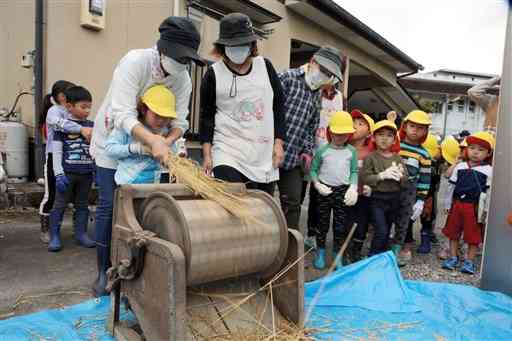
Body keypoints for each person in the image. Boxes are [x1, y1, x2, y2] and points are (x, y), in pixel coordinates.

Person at [89, 16, 204, 297]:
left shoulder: (182, 78)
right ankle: (104, 271)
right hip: (114, 141)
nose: (181, 63)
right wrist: (152, 141)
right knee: (109, 205)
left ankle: (133, 271)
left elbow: (181, 122)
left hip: (150, 154)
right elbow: (123, 114)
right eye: (177, 57)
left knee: (139, 210)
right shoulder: (135, 62)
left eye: (186, 59)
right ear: (162, 48)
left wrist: (167, 143)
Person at [199, 13, 285, 195]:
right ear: (223, 46)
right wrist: (207, 155)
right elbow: (206, 117)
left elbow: (278, 106)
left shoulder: (265, 67)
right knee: (235, 204)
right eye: (232, 45)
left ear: (251, 45)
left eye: (242, 44)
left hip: (262, 153)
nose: (237, 49)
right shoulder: (213, 74)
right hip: (227, 151)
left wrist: (279, 144)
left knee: (261, 208)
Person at [278, 46, 345, 230]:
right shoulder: (286, 78)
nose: (325, 77)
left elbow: (311, 126)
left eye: (330, 75)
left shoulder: (316, 93)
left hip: (293, 158)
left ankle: (289, 246)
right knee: (262, 200)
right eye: (324, 71)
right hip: (270, 152)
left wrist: (307, 151)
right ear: (313, 61)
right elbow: (269, 113)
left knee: (292, 202)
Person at [38, 80, 93, 244]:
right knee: (57, 202)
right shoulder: (58, 120)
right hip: (66, 171)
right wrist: (59, 173)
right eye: (84, 107)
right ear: (68, 103)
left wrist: (95, 170)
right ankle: (53, 234)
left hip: (85, 173)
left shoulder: (91, 125)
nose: (88, 110)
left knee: (82, 204)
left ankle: (81, 234)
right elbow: (57, 152)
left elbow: (95, 150)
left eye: (89, 107)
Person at [309, 111, 358, 270]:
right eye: (337, 133)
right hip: (324, 190)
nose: (340, 137)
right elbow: (313, 170)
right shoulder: (323, 150)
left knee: (340, 226)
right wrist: (317, 184)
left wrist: (353, 187)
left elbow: (354, 171)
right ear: (331, 131)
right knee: (322, 224)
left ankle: (338, 255)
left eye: (344, 134)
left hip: (342, 191)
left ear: (349, 134)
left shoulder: (351, 151)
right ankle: (321, 252)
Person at [441, 131, 495, 274]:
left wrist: (486, 210)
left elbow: (489, 192)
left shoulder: (489, 170)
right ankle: (453, 257)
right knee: (453, 233)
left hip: (475, 208)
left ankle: (469, 262)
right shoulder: (460, 167)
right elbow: (451, 186)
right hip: (457, 205)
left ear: (488, 153)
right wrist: (447, 204)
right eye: (472, 148)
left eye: (481, 150)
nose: (475, 152)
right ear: (466, 149)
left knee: (473, 236)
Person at [105, 85, 179, 185]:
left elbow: (173, 151)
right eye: (157, 115)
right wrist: (136, 148)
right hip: (128, 185)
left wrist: (172, 155)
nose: (161, 121)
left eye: (166, 117)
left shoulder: (166, 132)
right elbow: (110, 149)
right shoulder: (128, 127)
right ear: (144, 110)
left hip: (156, 185)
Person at [302, 82, 343, 250]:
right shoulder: (313, 91)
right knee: (303, 193)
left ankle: (315, 234)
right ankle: (309, 234)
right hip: (310, 150)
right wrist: (308, 149)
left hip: (331, 153)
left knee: (320, 196)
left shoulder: (340, 98)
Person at [361, 120, 408, 257]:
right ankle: (373, 256)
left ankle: (382, 257)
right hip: (377, 199)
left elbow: (406, 180)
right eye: (380, 134)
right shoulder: (370, 157)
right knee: (380, 230)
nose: (384, 138)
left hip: (394, 198)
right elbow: (365, 178)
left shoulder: (398, 158)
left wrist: (400, 176)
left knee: (387, 230)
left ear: (394, 140)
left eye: (389, 135)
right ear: (374, 138)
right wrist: (381, 176)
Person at [392, 110, 432, 266]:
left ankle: (404, 247)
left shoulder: (424, 154)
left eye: (421, 127)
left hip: (410, 191)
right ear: (405, 126)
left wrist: (421, 200)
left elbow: (425, 178)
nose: (415, 130)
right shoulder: (395, 145)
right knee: (390, 218)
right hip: (391, 188)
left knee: (406, 221)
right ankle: (387, 247)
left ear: (426, 131)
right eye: (412, 126)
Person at [347, 109, 375, 262]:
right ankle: (345, 248)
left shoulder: (371, 151)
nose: (354, 126)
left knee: (362, 222)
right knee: (345, 221)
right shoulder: (343, 147)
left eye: (360, 124)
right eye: (353, 123)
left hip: (364, 195)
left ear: (369, 133)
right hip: (346, 193)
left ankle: (357, 249)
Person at [413, 133, 442, 254]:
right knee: (415, 217)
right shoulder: (427, 160)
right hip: (417, 193)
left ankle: (425, 239)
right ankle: (412, 239)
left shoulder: (436, 164)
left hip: (428, 195)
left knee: (427, 218)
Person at [437, 135, 461, 260]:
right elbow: (447, 175)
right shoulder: (459, 165)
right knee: (452, 225)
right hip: (454, 202)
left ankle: (461, 248)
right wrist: (456, 163)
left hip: (469, 202)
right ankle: (447, 247)